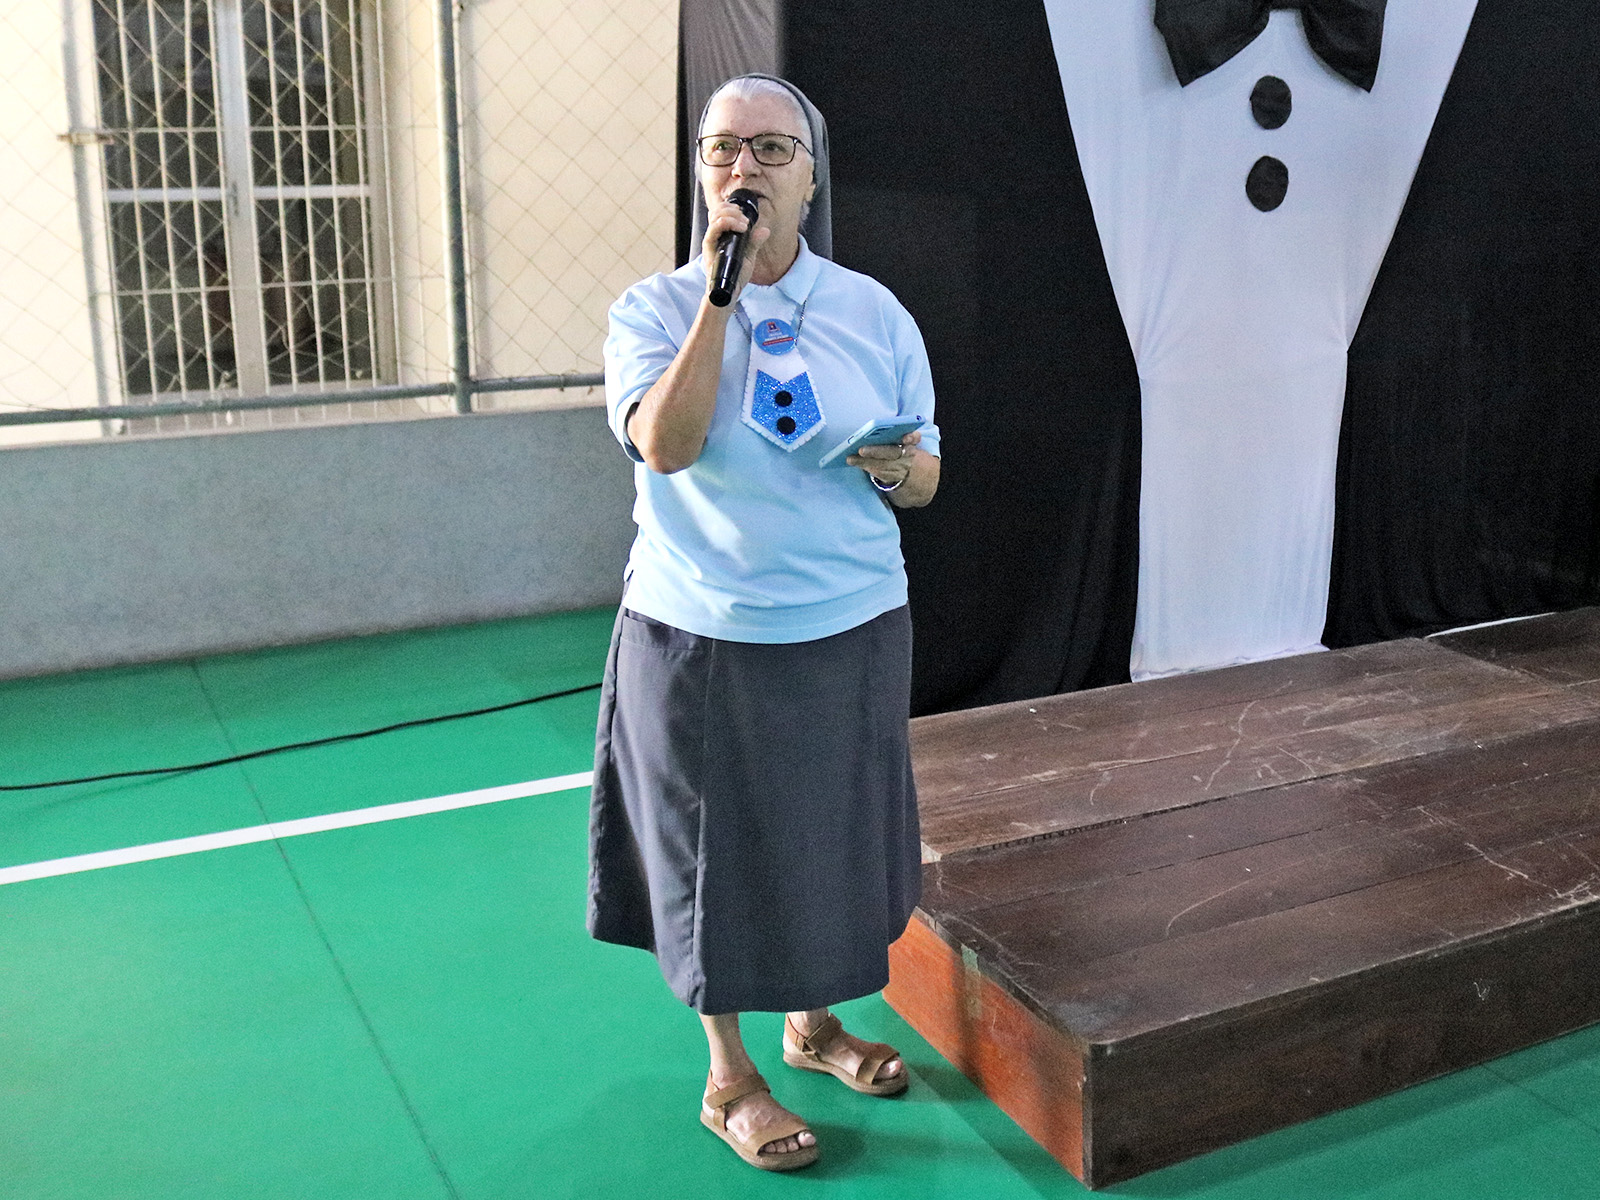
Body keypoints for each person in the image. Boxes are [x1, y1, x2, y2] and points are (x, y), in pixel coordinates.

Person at [587, 73, 940, 1172]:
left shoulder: (873, 312)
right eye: (722, 149)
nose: (744, 167)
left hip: (850, 619)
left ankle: (815, 1026)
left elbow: (926, 474)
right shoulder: (652, 311)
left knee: (829, 837)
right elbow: (668, 444)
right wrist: (721, 298)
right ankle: (729, 1076)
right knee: (715, 857)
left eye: (771, 149)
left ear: (812, 177)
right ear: (702, 172)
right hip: (704, 630)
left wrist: (895, 467)